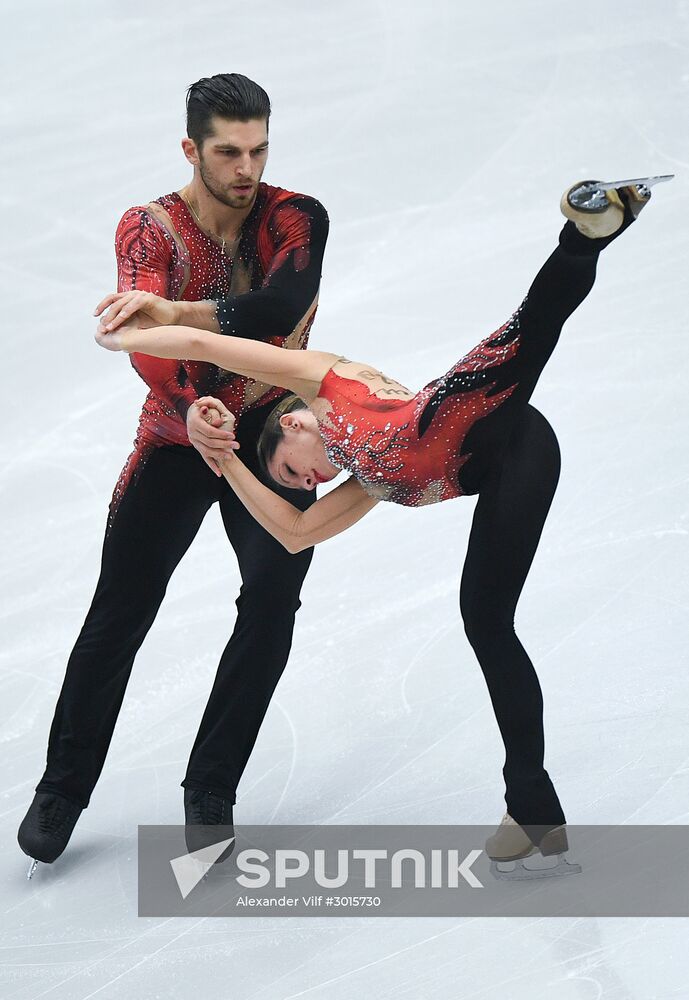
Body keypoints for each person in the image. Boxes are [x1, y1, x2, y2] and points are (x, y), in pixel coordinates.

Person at [92, 178, 665, 879]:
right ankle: (534, 811)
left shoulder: (329, 381)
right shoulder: (366, 481)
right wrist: (227, 462)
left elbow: (226, 345)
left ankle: (587, 234)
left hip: (452, 418)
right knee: (486, 621)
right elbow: (293, 535)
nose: (308, 485)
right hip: (504, 466)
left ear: (294, 424)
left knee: (522, 338)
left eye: (292, 470)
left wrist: (138, 327)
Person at [17, 72, 329, 878]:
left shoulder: (296, 217)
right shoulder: (148, 228)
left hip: (274, 431)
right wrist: (190, 402)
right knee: (120, 610)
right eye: (228, 151)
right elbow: (140, 337)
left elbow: (279, 306)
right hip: (175, 431)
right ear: (192, 148)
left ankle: (211, 787)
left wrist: (182, 320)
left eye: (258, 148)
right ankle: (62, 786)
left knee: (271, 599)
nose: (246, 168)